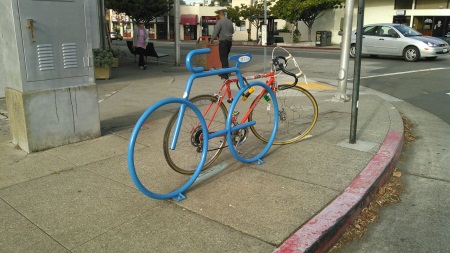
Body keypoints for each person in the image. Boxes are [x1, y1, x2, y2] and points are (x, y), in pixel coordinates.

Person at [210, 11, 234, 79]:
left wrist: (211, 39)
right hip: (229, 41)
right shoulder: (230, 21)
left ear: (220, 15)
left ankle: (224, 74)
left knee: (223, 58)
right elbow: (232, 31)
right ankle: (226, 71)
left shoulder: (219, 22)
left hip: (223, 41)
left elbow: (216, 31)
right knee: (225, 57)